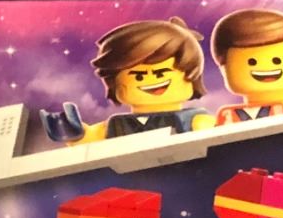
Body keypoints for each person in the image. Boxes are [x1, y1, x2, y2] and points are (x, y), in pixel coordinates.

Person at [42, 17, 210, 144]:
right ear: (114, 83)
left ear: (191, 76)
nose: (151, 79)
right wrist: (75, 134)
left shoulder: (193, 119)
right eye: (138, 76)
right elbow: (90, 137)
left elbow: (212, 135)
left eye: (160, 73)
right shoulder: (116, 125)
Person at [208, 8, 283, 122]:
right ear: (224, 70)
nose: (265, 68)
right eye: (252, 62)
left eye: (277, 60)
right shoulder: (230, 116)